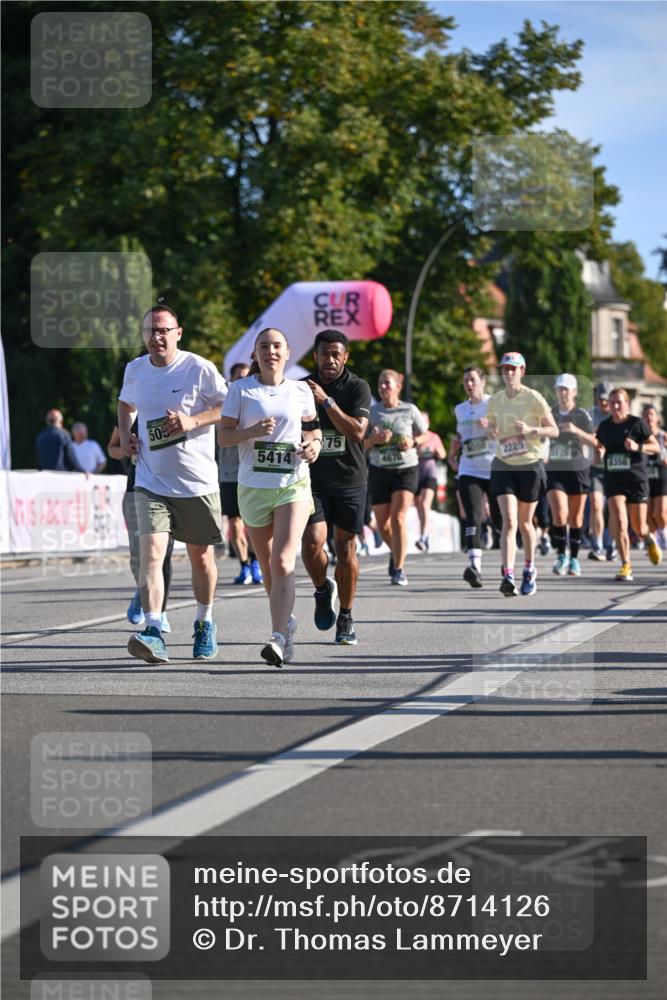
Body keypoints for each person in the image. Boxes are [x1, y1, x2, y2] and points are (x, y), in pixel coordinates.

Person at [117, 305, 227, 663]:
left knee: (201, 558)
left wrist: (192, 421)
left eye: (163, 330)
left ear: (179, 333)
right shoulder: (135, 369)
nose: (156, 337)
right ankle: (152, 629)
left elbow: (227, 408)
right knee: (151, 554)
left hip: (196, 482)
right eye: (150, 330)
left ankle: (204, 620)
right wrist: (127, 434)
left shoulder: (199, 368)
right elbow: (125, 403)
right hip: (151, 481)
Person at [219, 327, 321, 667]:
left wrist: (314, 446)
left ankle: (277, 638)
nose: (271, 352)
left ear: (288, 352)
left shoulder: (301, 390)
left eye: (277, 346)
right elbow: (224, 437)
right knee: (267, 569)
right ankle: (287, 624)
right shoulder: (240, 390)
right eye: (264, 346)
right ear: (255, 354)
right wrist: (251, 432)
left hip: (293, 484)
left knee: (281, 562)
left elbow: (313, 428)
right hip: (253, 487)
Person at [300, 329, 371, 645]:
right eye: (323, 353)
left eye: (335, 354)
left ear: (346, 357)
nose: (329, 359)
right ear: (315, 356)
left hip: (349, 480)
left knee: (344, 549)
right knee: (314, 542)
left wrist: (326, 402)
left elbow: (356, 431)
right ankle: (321, 590)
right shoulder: (301, 387)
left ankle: (346, 615)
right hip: (311, 479)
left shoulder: (357, 387)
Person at [484, 352, 558, 596]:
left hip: (529, 464)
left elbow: (554, 430)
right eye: (505, 369)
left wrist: (531, 429)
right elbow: (492, 429)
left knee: (526, 523)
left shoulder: (533, 398)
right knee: (510, 521)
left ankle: (529, 568)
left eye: (513, 369)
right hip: (504, 464)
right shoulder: (495, 400)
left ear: (522, 371)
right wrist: (491, 431)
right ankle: (507, 574)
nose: (509, 373)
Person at [108, 423, 173, 631]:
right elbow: (113, 448)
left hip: (169, 491)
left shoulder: (174, 406)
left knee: (163, 555)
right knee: (138, 555)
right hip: (135, 491)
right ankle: (142, 590)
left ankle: (159, 612)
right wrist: (125, 450)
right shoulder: (130, 412)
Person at [365, 370, 427, 586]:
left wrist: (412, 442)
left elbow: (426, 434)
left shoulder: (409, 410)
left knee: (398, 516)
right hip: (379, 469)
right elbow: (360, 445)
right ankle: (396, 552)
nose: (383, 387)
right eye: (380, 383)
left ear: (398, 387)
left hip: (405, 468)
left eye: (387, 383)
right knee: (383, 525)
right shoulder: (371, 412)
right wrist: (374, 440)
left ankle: (399, 569)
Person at [595, 388, 662, 581]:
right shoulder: (605, 426)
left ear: (627, 404)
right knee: (620, 522)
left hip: (636, 480)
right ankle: (626, 565)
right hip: (613, 480)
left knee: (639, 527)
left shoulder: (637, 424)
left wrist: (637, 447)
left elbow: (655, 447)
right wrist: (598, 453)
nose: (616, 406)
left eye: (620, 402)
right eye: (613, 402)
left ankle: (649, 539)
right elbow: (599, 445)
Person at [546, 374, 597, 577]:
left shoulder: (582, 415)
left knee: (575, 518)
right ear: (556, 392)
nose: (563, 393)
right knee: (559, 513)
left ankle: (574, 559)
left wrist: (576, 430)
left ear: (574, 392)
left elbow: (594, 441)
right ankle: (561, 555)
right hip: (555, 469)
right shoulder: (549, 413)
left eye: (567, 389)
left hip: (577, 469)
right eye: (560, 389)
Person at [454, 366, 500, 588]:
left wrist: (491, 428)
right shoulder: (459, 409)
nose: (469, 384)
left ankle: (506, 560)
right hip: (468, 468)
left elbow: (506, 432)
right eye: (465, 381)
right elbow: (461, 436)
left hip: (493, 467)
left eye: (472, 380)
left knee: (501, 518)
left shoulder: (494, 403)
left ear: (482, 381)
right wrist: (455, 448)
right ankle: (475, 567)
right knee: (472, 516)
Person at [219, 362, 263, 586]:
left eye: (247, 376)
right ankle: (244, 564)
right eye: (239, 377)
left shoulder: (257, 400)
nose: (244, 380)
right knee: (234, 523)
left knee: (252, 522)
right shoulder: (223, 403)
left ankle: (256, 562)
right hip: (228, 472)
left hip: (252, 469)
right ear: (231, 380)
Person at [587, 382, 615, 560]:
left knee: (613, 508)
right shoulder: (590, 414)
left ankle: (611, 544)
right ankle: (597, 545)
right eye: (600, 399)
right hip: (596, 467)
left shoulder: (619, 414)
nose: (603, 403)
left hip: (614, 469)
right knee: (596, 505)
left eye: (606, 400)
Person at [414, 412, 446, 552]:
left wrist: (438, 452)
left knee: (425, 503)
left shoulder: (433, 437)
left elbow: (443, 454)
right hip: (415, 475)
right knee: (419, 506)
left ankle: (424, 536)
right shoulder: (413, 437)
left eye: (424, 420)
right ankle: (424, 534)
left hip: (430, 473)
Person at [643, 404, 667, 551]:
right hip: (646, 478)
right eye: (646, 415)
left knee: (660, 513)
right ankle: (655, 544)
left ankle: (664, 533)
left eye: (652, 414)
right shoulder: (640, 437)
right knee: (648, 516)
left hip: (662, 476)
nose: (649, 417)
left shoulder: (663, 436)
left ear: (657, 418)